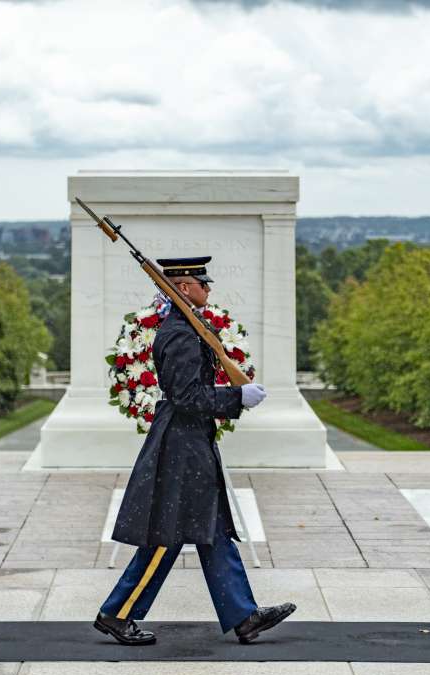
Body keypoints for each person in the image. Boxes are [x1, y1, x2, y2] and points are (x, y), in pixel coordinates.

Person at [94, 256, 296, 646]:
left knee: (212, 529)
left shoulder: (188, 327)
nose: (209, 288)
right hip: (181, 445)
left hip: (190, 439)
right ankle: (117, 613)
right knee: (168, 535)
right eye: (202, 283)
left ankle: (244, 616)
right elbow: (187, 396)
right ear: (184, 288)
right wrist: (237, 396)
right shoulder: (181, 335)